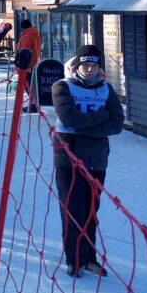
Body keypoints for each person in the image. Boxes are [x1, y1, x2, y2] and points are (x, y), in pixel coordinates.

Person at [51, 44, 124, 277]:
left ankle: (89, 256)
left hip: (97, 158)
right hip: (68, 157)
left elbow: (117, 124)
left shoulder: (106, 89)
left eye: (94, 65)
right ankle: (74, 259)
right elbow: (69, 117)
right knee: (72, 207)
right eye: (85, 65)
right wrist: (101, 118)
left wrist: (86, 125)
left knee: (91, 210)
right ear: (77, 65)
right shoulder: (62, 86)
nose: (90, 69)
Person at [17, 19, 42, 112]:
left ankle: (33, 104)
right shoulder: (36, 34)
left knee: (27, 84)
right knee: (31, 83)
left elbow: (24, 51)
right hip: (34, 62)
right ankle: (34, 103)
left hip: (27, 64)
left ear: (23, 27)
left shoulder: (26, 36)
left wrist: (19, 62)